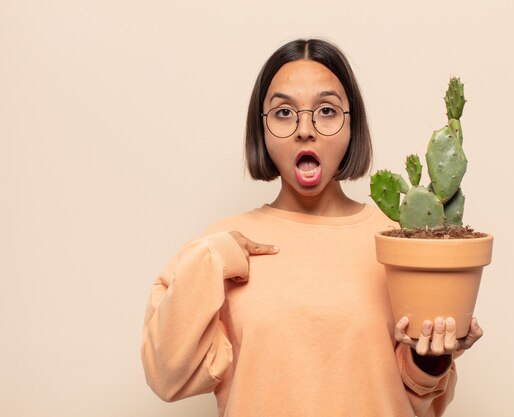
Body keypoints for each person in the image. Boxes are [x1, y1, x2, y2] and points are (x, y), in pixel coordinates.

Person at [141, 38, 483, 417]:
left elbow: (421, 400)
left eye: (326, 110)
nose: (305, 129)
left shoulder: (399, 239)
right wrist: (214, 257)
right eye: (284, 113)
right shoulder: (218, 248)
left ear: (352, 125)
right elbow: (165, 375)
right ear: (263, 129)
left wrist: (433, 360)